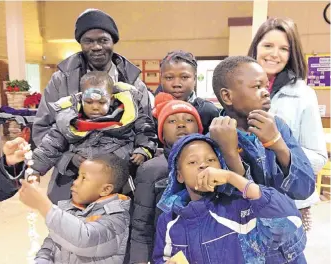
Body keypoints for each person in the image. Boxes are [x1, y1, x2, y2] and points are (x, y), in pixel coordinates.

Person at [211, 56, 315, 263]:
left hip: (287, 248)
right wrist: (230, 153)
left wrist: (277, 143)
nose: (266, 91)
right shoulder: (215, 137)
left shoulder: (278, 127)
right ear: (227, 96)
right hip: (241, 250)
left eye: (266, 85)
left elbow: (305, 188)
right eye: (256, 86)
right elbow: (234, 202)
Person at [153, 134, 306, 264]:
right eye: (192, 162)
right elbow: (162, 258)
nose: (203, 165)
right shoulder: (168, 221)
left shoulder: (242, 205)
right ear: (178, 175)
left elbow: (291, 221)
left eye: (211, 160)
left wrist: (232, 177)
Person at [248, 17, 327, 231]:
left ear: (292, 54)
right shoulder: (240, 88)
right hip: (245, 198)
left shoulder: (303, 95)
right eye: (268, 45)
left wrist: (279, 145)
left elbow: (319, 158)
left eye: (284, 48)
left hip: (290, 202)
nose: (274, 54)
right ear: (255, 47)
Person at [30, 71, 156, 203]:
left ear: (111, 99)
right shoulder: (68, 119)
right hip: (81, 179)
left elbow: (145, 131)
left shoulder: (129, 112)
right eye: (89, 102)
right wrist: (35, 169)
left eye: (102, 102)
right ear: (80, 98)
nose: (95, 107)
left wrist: (143, 149)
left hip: (119, 180)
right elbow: (50, 145)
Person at [130, 93, 203, 264]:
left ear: (199, 128)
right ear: (161, 131)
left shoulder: (213, 163)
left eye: (189, 120)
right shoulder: (151, 170)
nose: (181, 124)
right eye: (172, 121)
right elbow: (142, 226)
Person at [18, 153, 130, 264]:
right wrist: (42, 260)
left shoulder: (116, 219)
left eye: (84, 178)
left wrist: (44, 206)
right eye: (77, 176)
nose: (75, 182)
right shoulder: (70, 209)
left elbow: (83, 239)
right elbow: (51, 243)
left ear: (105, 190)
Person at [157, 50, 219, 134]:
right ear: (161, 79)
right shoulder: (154, 111)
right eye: (169, 78)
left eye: (184, 77)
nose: (176, 84)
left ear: (194, 79)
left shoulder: (208, 111)